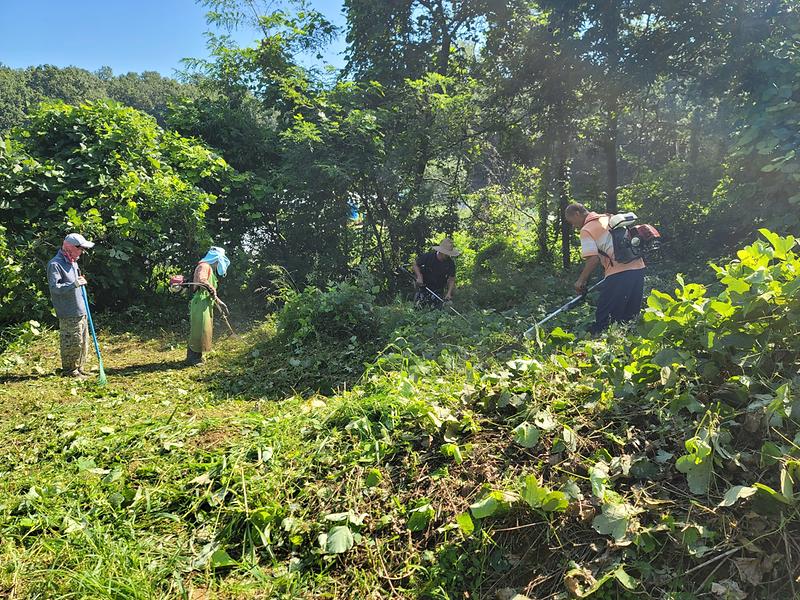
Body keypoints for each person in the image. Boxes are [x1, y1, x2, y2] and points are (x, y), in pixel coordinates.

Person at [564, 203, 646, 334]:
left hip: (618, 273)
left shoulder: (587, 230)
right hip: (638, 267)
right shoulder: (608, 217)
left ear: (577, 214)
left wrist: (580, 281)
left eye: (572, 222)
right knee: (631, 315)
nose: (573, 226)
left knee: (604, 316)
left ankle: (599, 344)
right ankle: (627, 345)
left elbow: (593, 259)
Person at [47, 233, 95, 378]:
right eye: (80, 248)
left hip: (80, 309)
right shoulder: (55, 264)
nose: (82, 252)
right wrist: (73, 284)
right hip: (68, 311)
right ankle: (69, 371)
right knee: (71, 341)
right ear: (69, 248)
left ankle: (79, 368)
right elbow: (55, 288)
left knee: (82, 341)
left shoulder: (73, 262)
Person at [187, 246, 230, 365]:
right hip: (200, 302)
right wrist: (212, 290)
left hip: (206, 303)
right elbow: (202, 280)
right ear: (217, 259)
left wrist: (220, 302)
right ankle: (192, 359)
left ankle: (197, 356)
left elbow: (210, 292)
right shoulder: (204, 266)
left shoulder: (210, 269)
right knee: (198, 330)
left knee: (203, 329)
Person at [413, 237, 460, 307]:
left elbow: (451, 279)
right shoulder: (428, 256)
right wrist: (419, 277)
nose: (447, 255)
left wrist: (449, 293)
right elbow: (415, 265)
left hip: (438, 289)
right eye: (446, 253)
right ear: (441, 251)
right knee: (419, 306)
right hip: (423, 286)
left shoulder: (450, 263)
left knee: (437, 308)